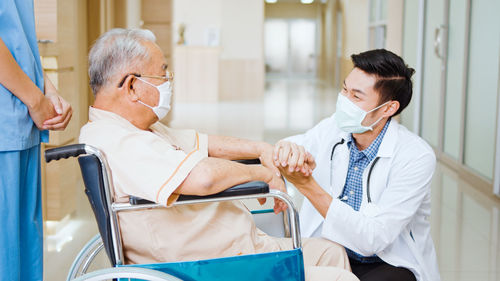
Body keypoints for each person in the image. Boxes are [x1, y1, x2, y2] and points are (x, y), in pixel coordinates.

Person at [79, 28, 358, 281]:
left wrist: (263, 149)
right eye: (162, 74)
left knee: (331, 253)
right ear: (131, 86)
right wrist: (262, 173)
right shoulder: (117, 139)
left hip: (237, 246)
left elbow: (206, 143)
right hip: (205, 265)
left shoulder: (137, 128)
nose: (168, 82)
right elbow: (204, 179)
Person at [273, 49, 440, 281]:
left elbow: (373, 240)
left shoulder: (415, 156)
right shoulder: (334, 127)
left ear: (388, 108)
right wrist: (286, 153)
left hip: (385, 260)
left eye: (356, 96)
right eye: (344, 89)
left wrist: (308, 186)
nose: (344, 101)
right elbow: (295, 144)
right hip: (329, 247)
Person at [0, 1, 73, 280]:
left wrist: (47, 91)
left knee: (23, 254)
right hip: (10, 120)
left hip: (20, 122)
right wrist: (34, 99)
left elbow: (19, 37)